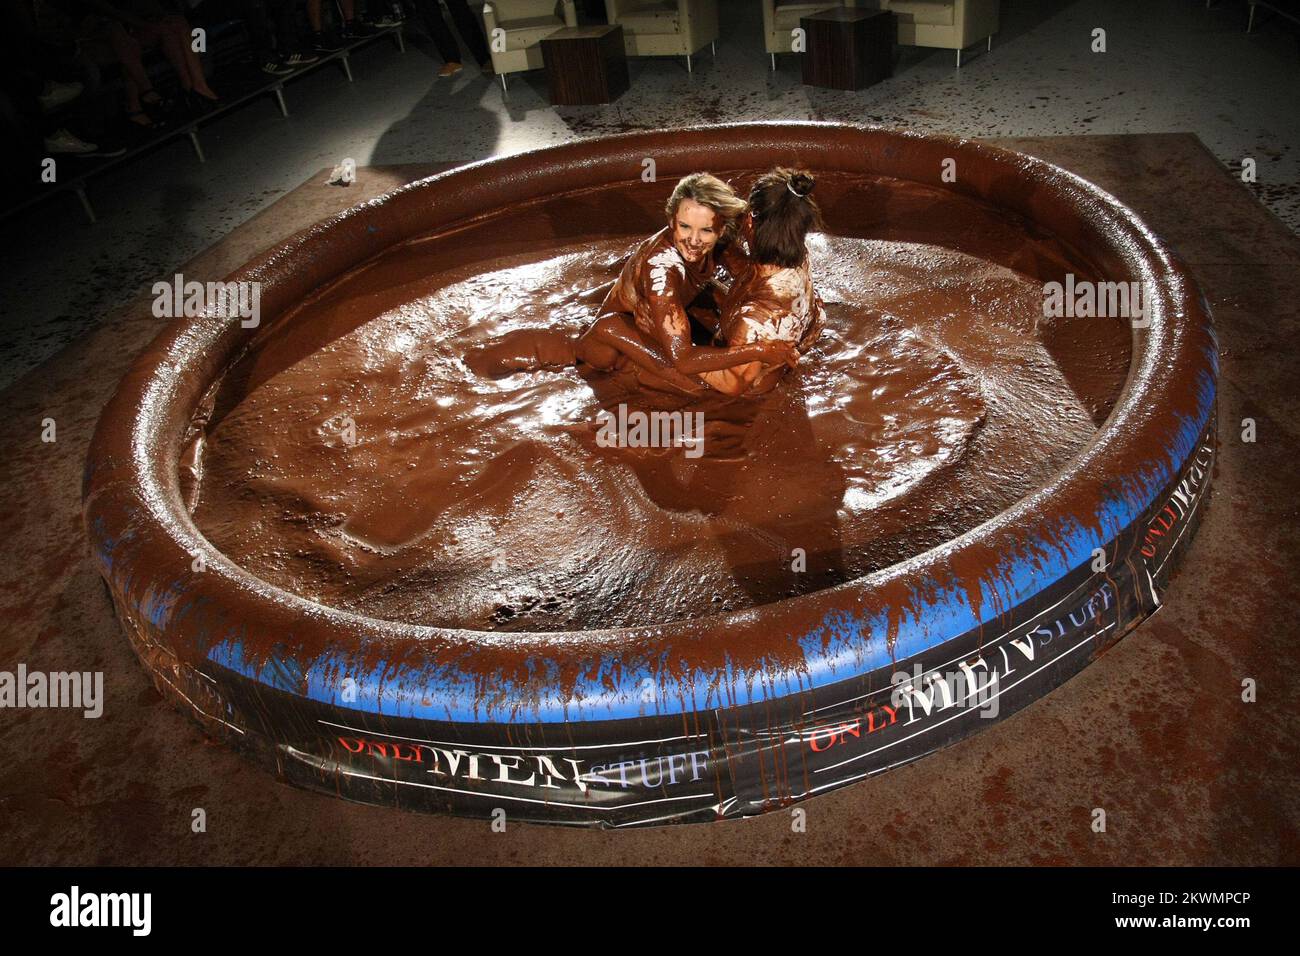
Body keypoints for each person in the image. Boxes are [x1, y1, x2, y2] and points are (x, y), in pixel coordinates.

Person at [465, 172, 797, 396]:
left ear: (721, 229)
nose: (694, 241)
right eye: (684, 227)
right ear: (671, 221)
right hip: (610, 341)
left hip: (657, 317)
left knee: (717, 305)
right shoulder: (661, 271)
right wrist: (760, 349)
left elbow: (755, 278)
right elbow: (683, 358)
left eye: (706, 231)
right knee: (699, 387)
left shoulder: (720, 243)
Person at [696, 168, 827, 396]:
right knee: (705, 288)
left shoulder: (752, 322)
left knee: (625, 336)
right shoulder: (794, 254)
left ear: (749, 220)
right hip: (793, 331)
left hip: (749, 382)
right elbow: (751, 273)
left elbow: (732, 384)